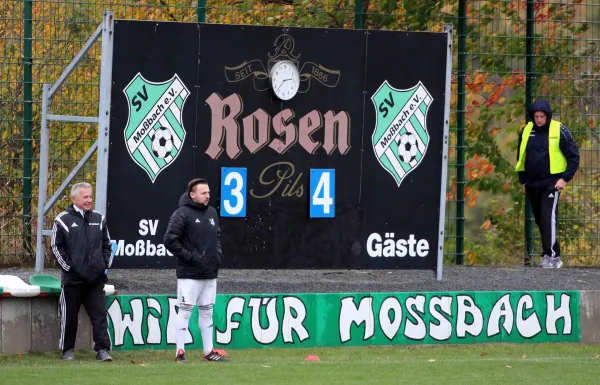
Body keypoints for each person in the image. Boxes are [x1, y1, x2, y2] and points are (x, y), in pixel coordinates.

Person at [163, 178, 229, 363]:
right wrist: (190, 257)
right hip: (189, 274)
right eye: (203, 193)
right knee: (185, 311)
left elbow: (216, 237)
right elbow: (169, 240)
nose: (208, 195)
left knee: (207, 311)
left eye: (208, 192)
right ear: (192, 195)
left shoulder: (212, 213)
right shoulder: (181, 214)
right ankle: (180, 353)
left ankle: (209, 352)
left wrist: (217, 255)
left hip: (210, 272)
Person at [51, 182, 113, 361]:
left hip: (96, 279)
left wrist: (104, 265)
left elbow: (107, 245)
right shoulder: (62, 219)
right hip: (72, 280)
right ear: (74, 199)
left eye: (90, 196)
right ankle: (67, 350)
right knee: (69, 316)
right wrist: (69, 268)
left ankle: (103, 350)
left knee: (100, 317)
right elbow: (56, 246)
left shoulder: (99, 218)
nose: (89, 200)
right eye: (85, 197)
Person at [516, 100, 580, 269]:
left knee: (548, 218)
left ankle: (551, 256)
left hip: (552, 183)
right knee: (540, 219)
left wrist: (564, 179)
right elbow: (521, 155)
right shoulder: (526, 131)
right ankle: (550, 253)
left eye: (542, 116)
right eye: (536, 116)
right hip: (532, 183)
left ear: (548, 116)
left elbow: (574, 157)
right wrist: (523, 179)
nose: (539, 120)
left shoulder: (559, 130)